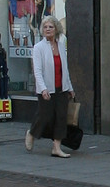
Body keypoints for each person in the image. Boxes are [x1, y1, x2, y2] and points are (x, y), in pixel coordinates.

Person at [27, 16, 74, 157]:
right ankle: (32, 133)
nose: (48, 29)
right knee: (44, 116)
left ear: (56, 29)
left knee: (61, 117)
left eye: (51, 27)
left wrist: (70, 87)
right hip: (46, 88)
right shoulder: (38, 48)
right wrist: (43, 89)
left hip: (61, 88)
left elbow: (64, 69)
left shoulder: (61, 44)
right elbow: (38, 71)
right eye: (45, 27)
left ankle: (56, 147)